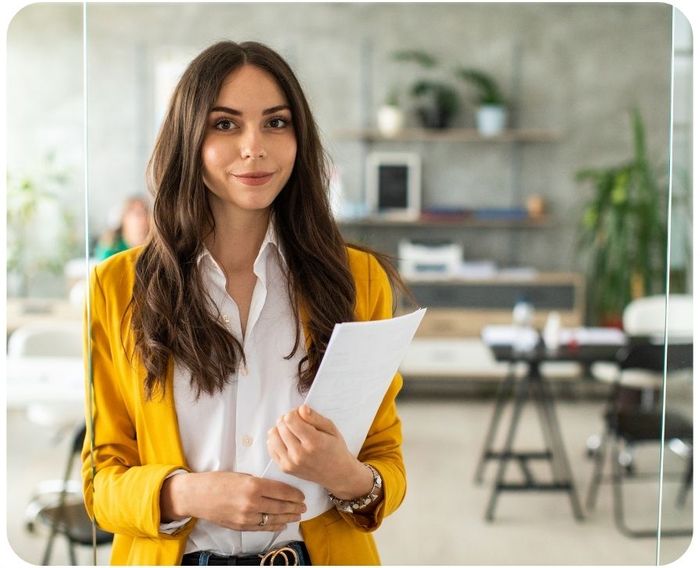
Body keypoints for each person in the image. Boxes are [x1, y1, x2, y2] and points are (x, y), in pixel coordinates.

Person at [81, 40, 407, 566]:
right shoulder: (117, 287)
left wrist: (343, 474)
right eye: (225, 124)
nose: (254, 147)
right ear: (189, 138)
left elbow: (385, 460)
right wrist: (184, 494)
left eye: (276, 123)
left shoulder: (358, 280)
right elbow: (100, 482)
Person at [93, 195, 151, 260]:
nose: (144, 218)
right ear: (124, 218)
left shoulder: (154, 249)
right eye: (138, 213)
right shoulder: (111, 250)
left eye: (146, 212)